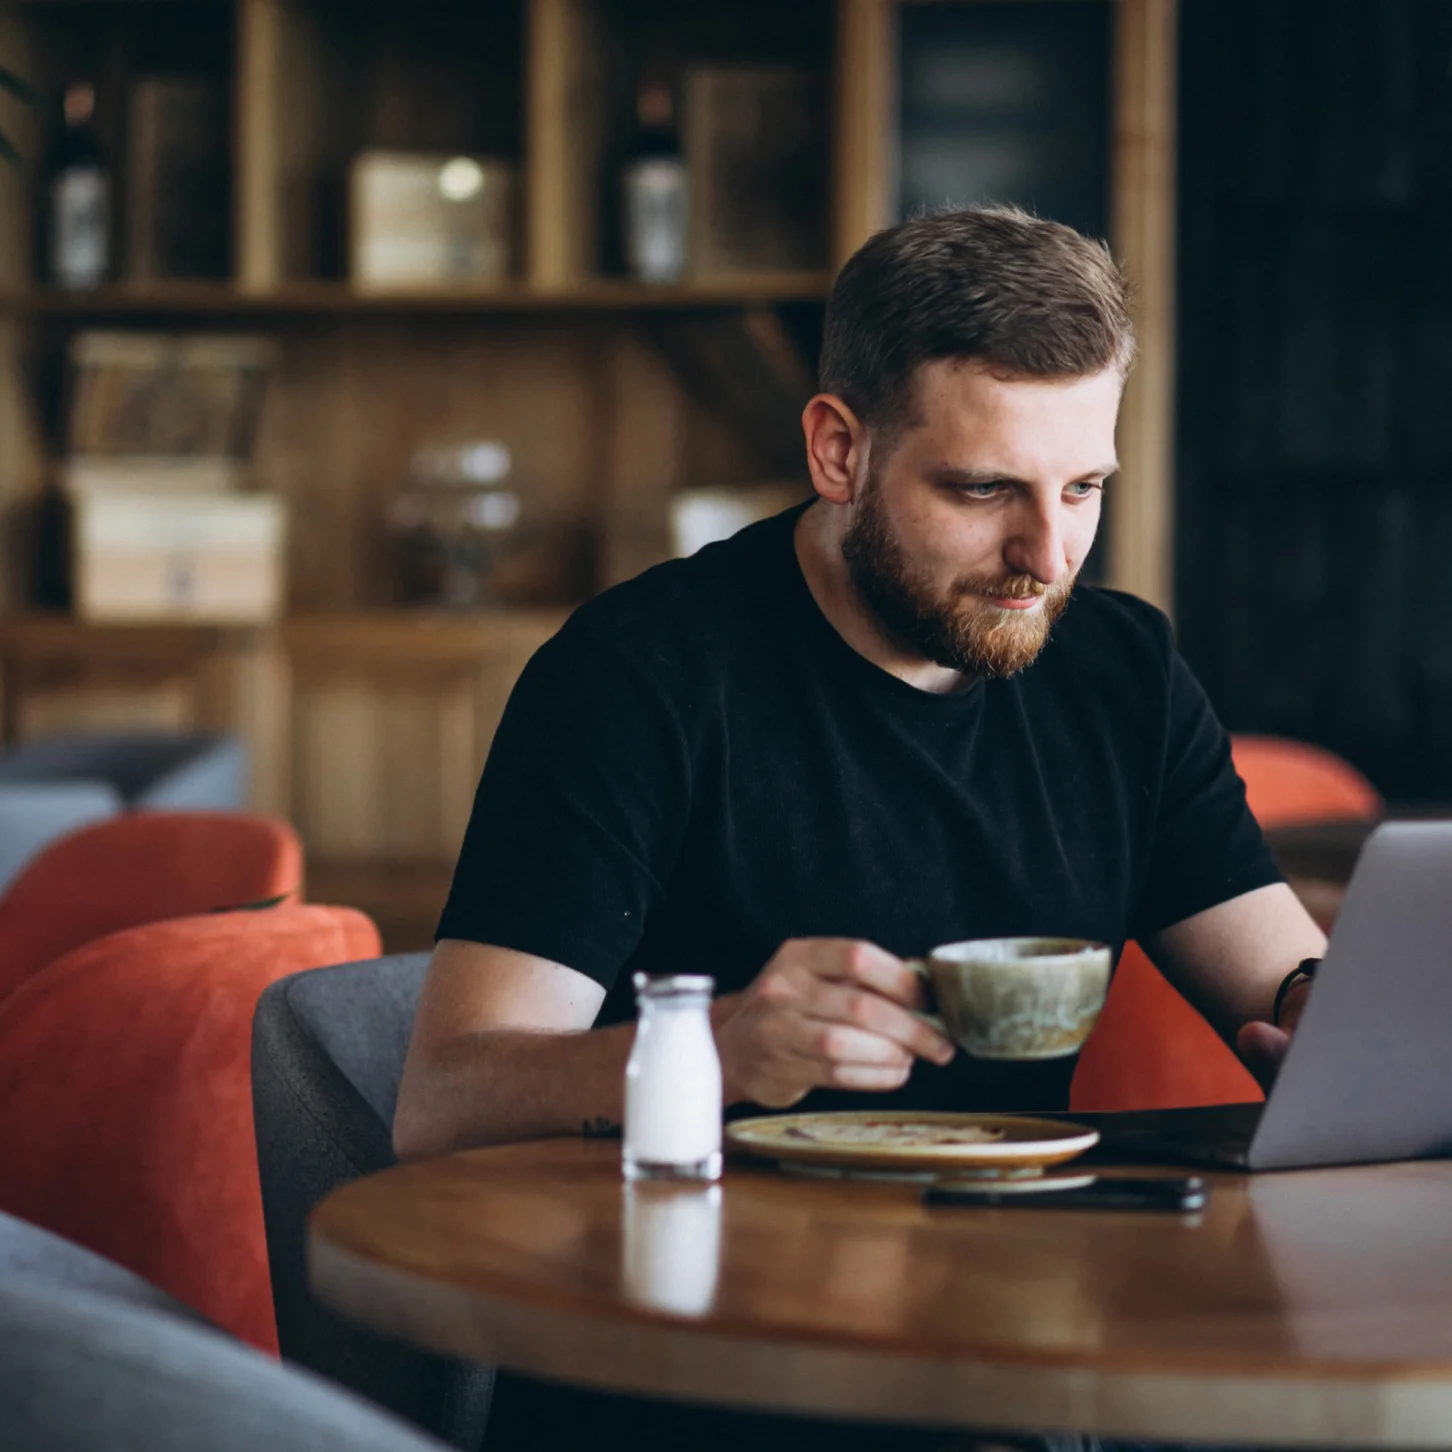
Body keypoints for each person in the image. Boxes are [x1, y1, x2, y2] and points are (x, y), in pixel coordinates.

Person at [395, 204, 1323, 1162]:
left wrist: (1323, 1012)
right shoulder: (634, 677)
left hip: (1032, 1274)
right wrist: (718, 1048)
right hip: (705, 1275)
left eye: (1083, 488)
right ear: (839, 451)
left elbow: (1290, 985)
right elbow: (444, 1100)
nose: (1047, 558)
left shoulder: (1124, 673)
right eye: (983, 489)